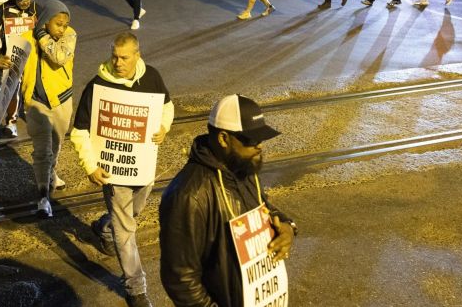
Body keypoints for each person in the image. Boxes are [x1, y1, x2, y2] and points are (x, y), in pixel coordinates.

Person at [159, 94, 297, 306]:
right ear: (223, 138)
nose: (260, 146)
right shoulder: (188, 196)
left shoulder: (242, 166)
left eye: (261, 138)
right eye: (251, 140)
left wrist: (286, 226)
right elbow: (180, 280)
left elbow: (264, 206)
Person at [69, 32, 174, 307]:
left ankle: (104, 229)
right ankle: (135, 289)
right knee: (126, 229)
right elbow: (79, 131)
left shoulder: (151, 77)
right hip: (113, 171)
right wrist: (90, 166)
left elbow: (167, 107)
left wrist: (164, 127)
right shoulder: (97, 86)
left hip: (143, 168)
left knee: (130, 216)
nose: (118, 62)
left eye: (124, 57)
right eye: (114, 56)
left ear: (137, 55)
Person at [20, 0, 76, 217]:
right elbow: (14, 65)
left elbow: (59, 58)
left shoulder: (70, 35)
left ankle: (51, 173)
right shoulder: (25, 38)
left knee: (56, 144)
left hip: (61, 101)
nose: (62, 29)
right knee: (42, 151)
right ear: (45, 20)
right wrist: (4, 61)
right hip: (35, 103)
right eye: (58, 24)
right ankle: (44, 195)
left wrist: (42, 36)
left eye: (64, 24)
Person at [0, 0, 39, 137]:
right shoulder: (3, 10)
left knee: (32, 88)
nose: (25, 2)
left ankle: (31, 114)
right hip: (11, 57)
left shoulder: (37, 10)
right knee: (12, 89)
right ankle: (11, 123)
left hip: (32, 58)